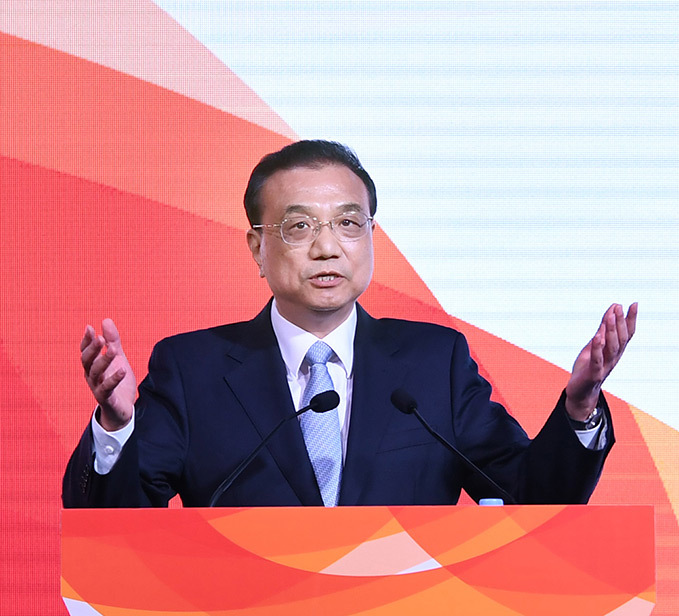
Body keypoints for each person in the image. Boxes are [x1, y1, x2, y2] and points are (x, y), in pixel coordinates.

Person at [62, 140, 636, 508]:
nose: (327, 248)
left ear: (370, 237)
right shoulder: (193, 370)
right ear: (257, 249)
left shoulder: (433, 362)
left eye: (348, 223)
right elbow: (115, 525)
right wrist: (115, 428)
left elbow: (534, 499)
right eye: (299, 227)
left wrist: (579, 407)